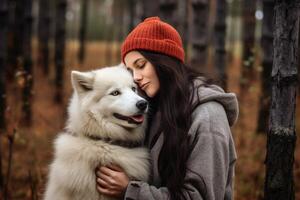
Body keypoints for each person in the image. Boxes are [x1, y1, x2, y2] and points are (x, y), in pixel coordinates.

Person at [95, 16, 238, 200]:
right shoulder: (154, 106)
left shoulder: (208, 117)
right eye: (130, 71)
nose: (136, 77)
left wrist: (130, 191)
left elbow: (200, 197)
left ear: (164, 62)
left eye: (141, 65)